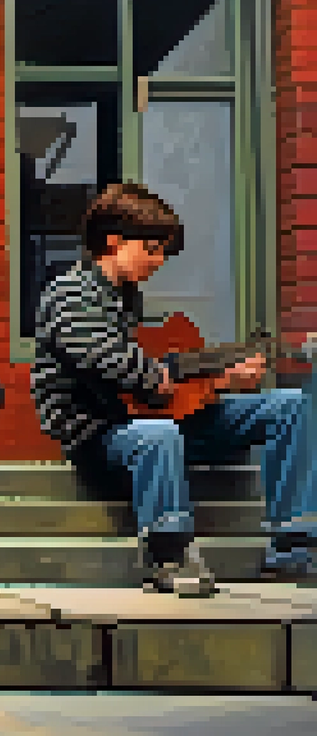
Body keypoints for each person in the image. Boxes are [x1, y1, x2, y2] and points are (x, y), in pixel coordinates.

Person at [32, 182, 316, 595]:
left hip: (151, 419)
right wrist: (206, 377)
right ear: (113, 241)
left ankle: (294, 547)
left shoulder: (126, 298)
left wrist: (217, 381)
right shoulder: (71, 293)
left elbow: (152, 379)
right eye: (151, 249)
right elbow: (122, 371)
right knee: (158, 435)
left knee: (290, 406)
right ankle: (170, 555)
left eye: (163, 251)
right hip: (100, 433)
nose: (159, 260)